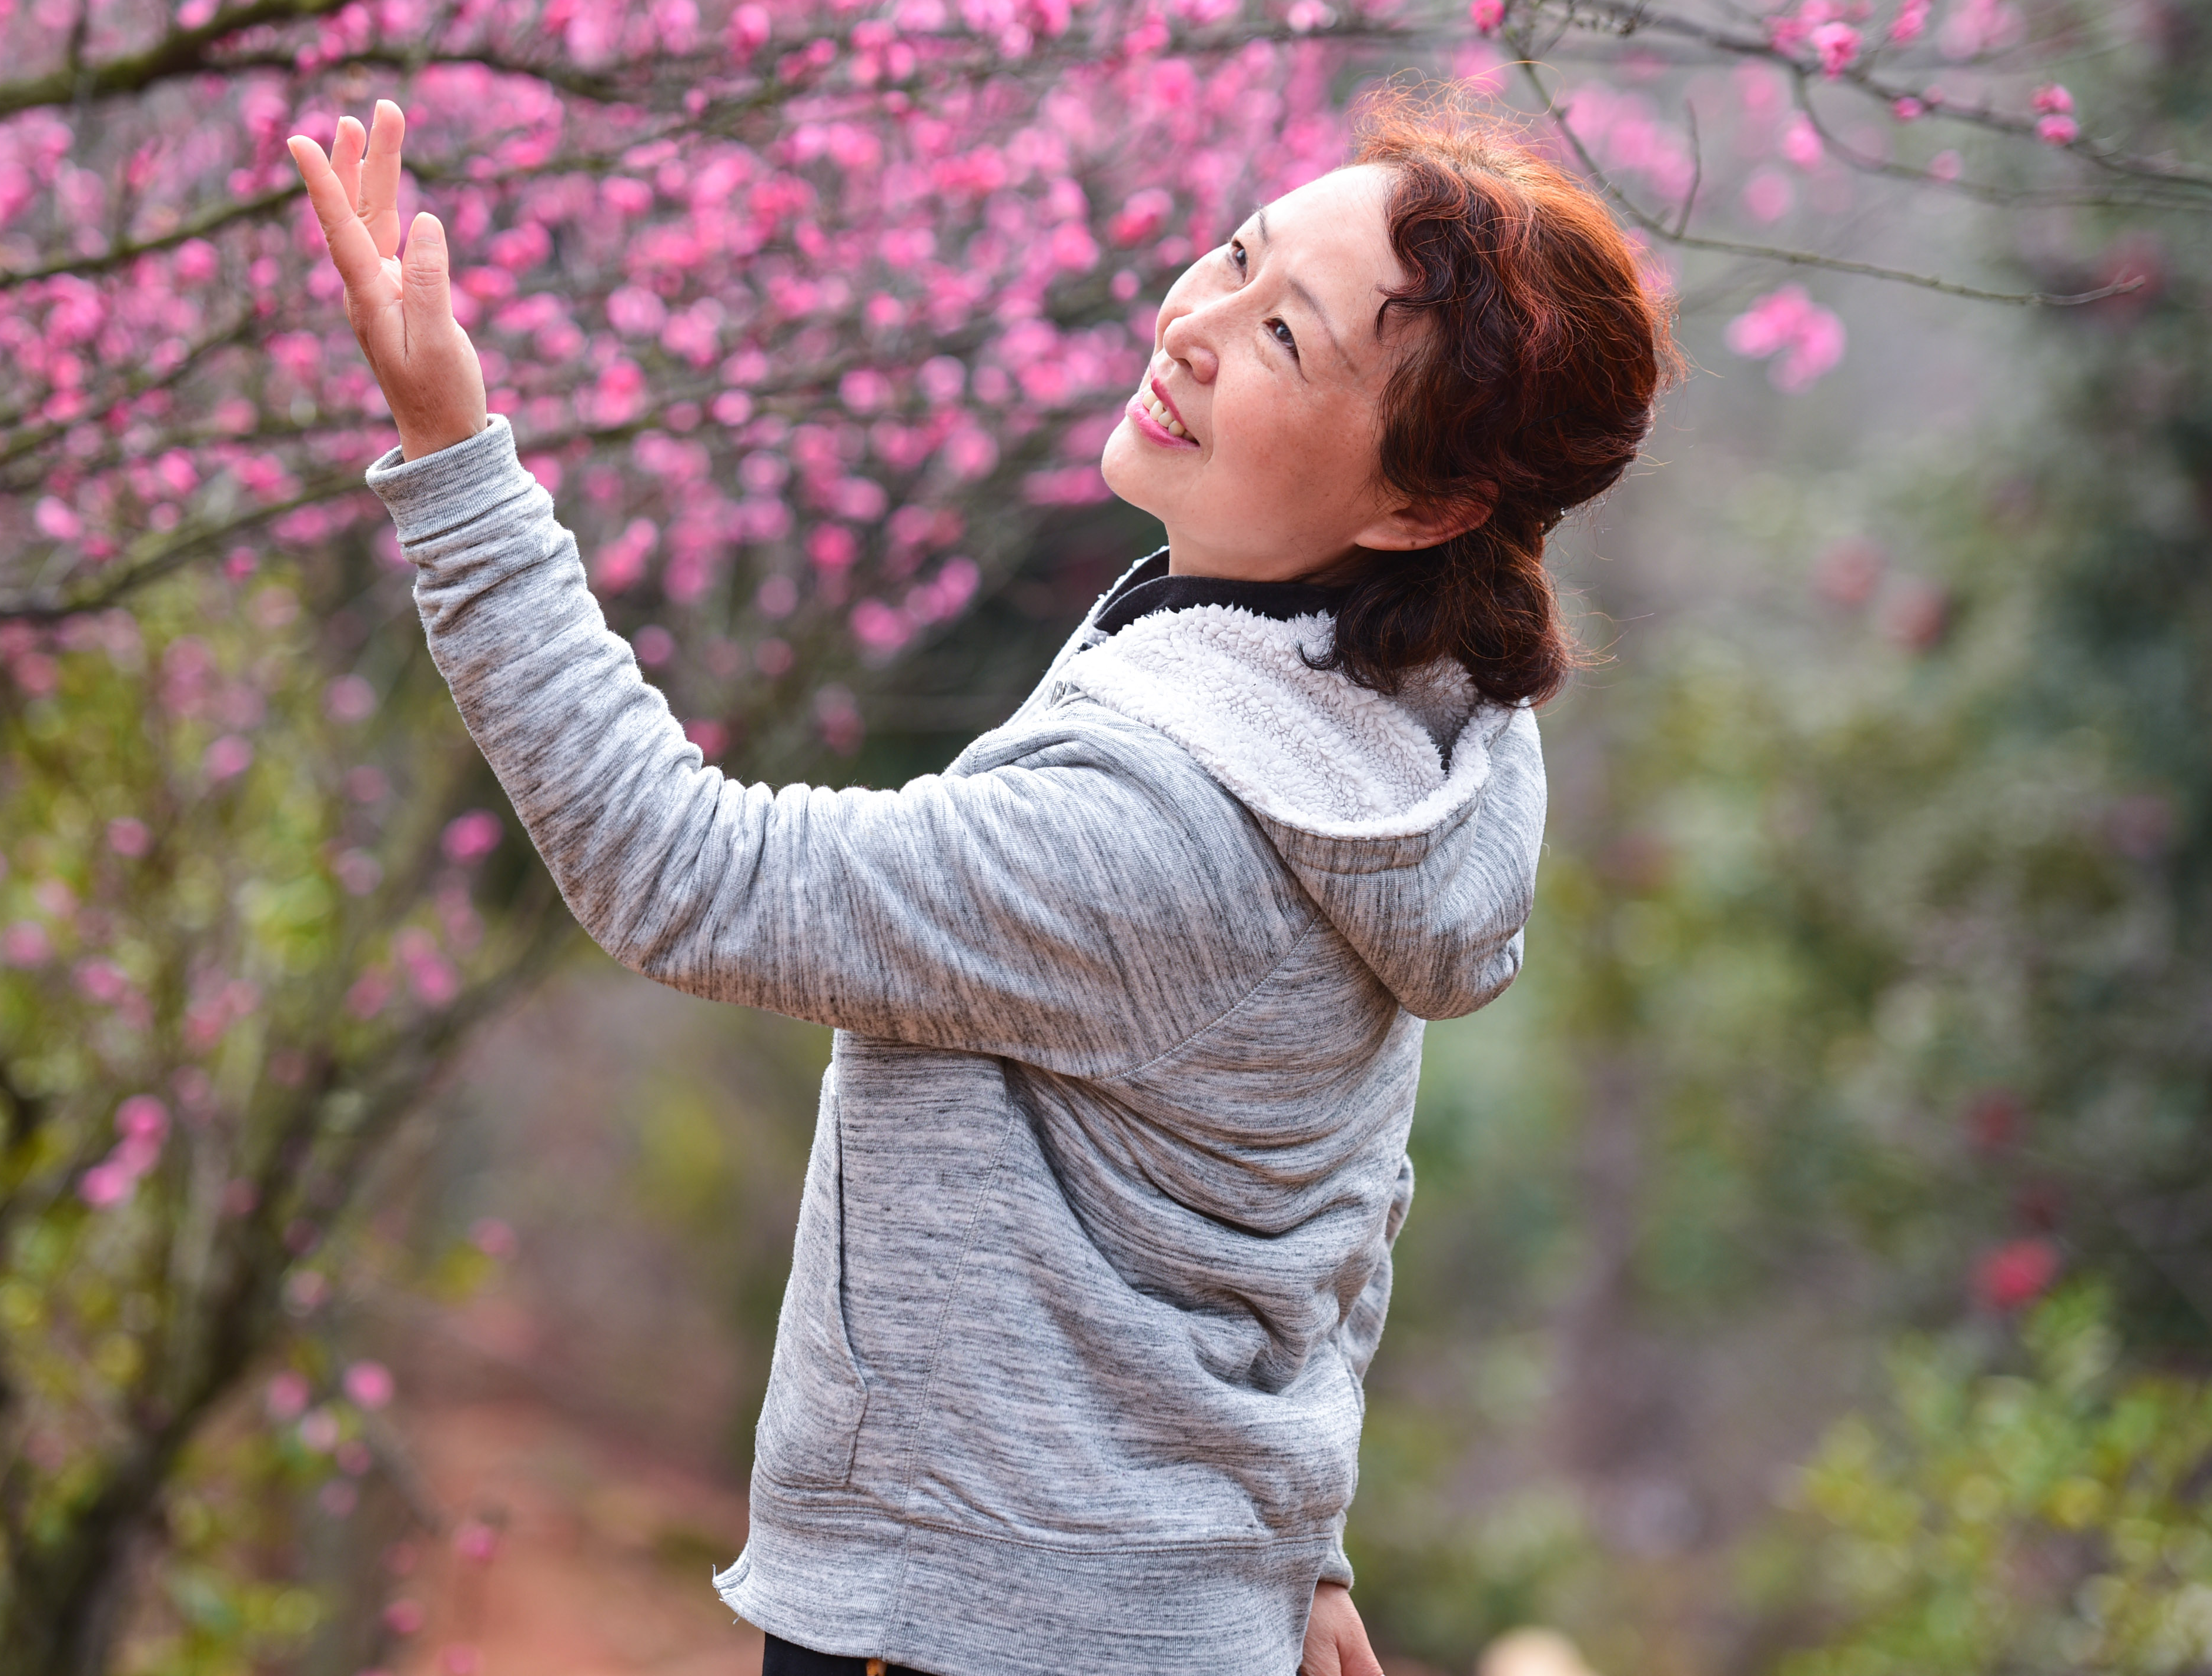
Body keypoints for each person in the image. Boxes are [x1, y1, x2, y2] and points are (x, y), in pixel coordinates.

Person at [287, 87, 1675, 1676]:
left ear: (1421, 505)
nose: (1198, 327)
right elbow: (1338, 1191)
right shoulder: (1381, 736)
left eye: (1287, 339)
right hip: (1136, 1610)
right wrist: (1292, 1543)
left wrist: (453, 458)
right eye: (1238, 257)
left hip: (976, 1627)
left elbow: (679, 869)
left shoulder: (1168, 825)